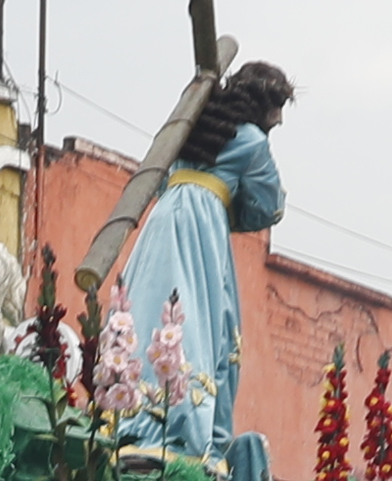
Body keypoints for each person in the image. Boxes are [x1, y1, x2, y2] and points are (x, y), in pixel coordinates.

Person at [111, 60, 293, 453]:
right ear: (264, 108)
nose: (275, 123)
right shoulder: (252, 142)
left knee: (148, 306)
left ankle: (132, 415)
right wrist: (227, 203)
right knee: (202, 321)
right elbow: (267, 206)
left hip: (163, 218)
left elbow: (158, 177)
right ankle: (187, 430)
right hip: (203, 225)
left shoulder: (188, 125)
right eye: (275, 116)